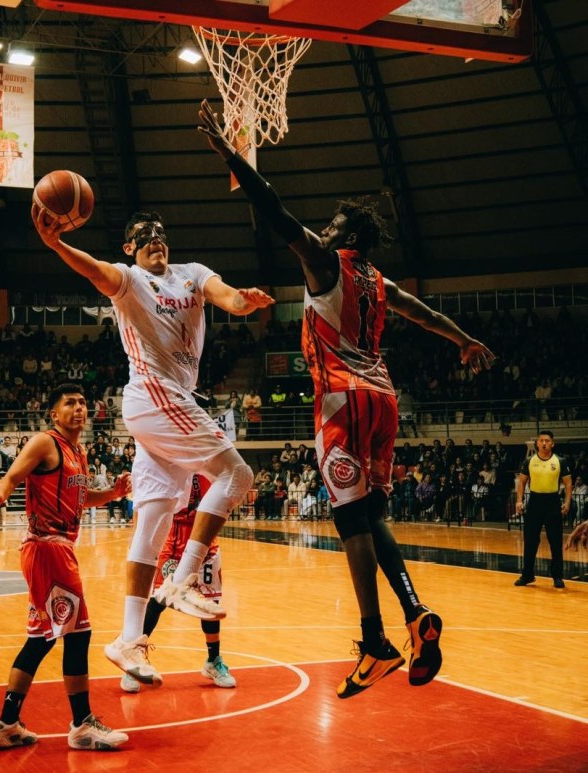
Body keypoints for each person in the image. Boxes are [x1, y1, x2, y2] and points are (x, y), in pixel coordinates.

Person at [199, 98, 495, 697]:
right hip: (384, 399)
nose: (324, 229)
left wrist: (230, 154)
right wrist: (464, 340)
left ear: (348, 237)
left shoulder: (327, 263)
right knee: (372, 516)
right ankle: (414, 615)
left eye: (334, 226)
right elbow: (428, 313)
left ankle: (375, 639)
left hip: (342, 400)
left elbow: (273, 208)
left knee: (347, 521)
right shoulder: (379, 282)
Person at [32, 202, 273, 689]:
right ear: (129, 248)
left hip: (164, 406)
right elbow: (94, 269)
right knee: (237, 474)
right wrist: (57, 243)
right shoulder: (128, 279)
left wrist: (243, 301)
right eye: (144, 235)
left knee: (155, 520)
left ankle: (128, 640)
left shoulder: (193, 274)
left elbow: (225, 297)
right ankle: (183, 579)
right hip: (153, 394)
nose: (154, 240)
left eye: (160, 234)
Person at [0, 383, 130, 751]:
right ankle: (81, 725)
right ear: (54, 413)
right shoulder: (45, 442)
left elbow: (78, 499)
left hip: (56, 548)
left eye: (82, 403)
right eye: (70, 403)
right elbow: (14, 476)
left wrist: (112, 493)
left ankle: (7, 724)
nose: (79, 409)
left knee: (40, 638)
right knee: (78, 634)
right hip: (47, 547)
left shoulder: (78, 450)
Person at [121, 475, 236, 693]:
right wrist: (136, 536)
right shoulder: (170, 456)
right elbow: (142, 500)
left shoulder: (213, 457)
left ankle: (213, 660)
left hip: (205, 539)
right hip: (173, 539)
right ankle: (132, 661)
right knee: (157, 601)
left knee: (208, 603)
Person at [514, 430, 572, 589]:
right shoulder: (529, 461)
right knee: (530, 541)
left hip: (553, 503)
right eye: (541, 440)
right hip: (534, 502)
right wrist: (519, 501)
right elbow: (522, 482)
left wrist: (567, 503)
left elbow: (568, 484)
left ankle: (558, 576)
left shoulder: (560, 461)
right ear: (537, 443)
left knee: (555, 541)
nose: (544, 443)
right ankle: (527, 575)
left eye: (547, 440)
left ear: (552, 443)